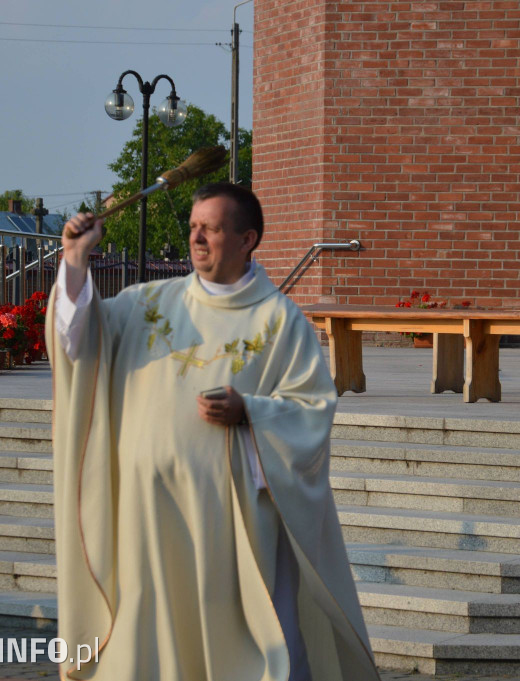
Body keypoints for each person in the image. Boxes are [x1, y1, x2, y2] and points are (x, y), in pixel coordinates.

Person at [47, 182, 380, 681]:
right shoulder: (147, 303)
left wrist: (251, 411)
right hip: (150, 516)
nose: (197, 238)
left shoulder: (280, 321)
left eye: (212, 228)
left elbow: (312, 411)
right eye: (193, 227)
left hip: (231, 520)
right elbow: (77, 342)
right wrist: (75, 261)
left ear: (247, 240)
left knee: (251, 642)